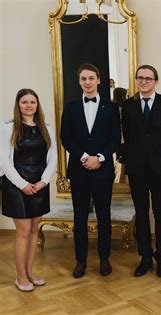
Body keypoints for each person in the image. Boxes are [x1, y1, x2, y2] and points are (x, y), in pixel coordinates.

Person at [60, 63, 121, 278]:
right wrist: (85, 157)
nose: (88, 82)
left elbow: (115, 139)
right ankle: (81, 261)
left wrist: (100, 158)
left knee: (104, 216)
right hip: (79, 169)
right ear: (79, 82)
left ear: (99, 80)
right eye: (84, 78)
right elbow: (65, 137)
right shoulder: (70, 107)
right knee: (80, 217)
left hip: (103, 171)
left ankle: (104, 260)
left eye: (91, 78)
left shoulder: (111, 108)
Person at [0, 88, 57, 291]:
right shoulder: (7, 127)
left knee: (34, 229)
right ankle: (20, 276)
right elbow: (4, 161)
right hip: (15, 185)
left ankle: (30, 272)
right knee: (23, 231)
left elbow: (53, 159)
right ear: (18, 104)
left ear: (37, 105)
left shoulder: (46, 128)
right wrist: (22, 184)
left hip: (39, 184)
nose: (29, 105)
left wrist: (43, 182)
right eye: (24, 102)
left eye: (32, 101)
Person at [122, 65, 161, 277]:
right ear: (136, 80)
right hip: (136, 168)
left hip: (160, 168)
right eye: (140, 78)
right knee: (141, 213)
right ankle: (145, 257)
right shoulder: (128, 105)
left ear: (155, 81)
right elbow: (126, 136)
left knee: (160, 213)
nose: (143, 81)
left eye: (148, 78)